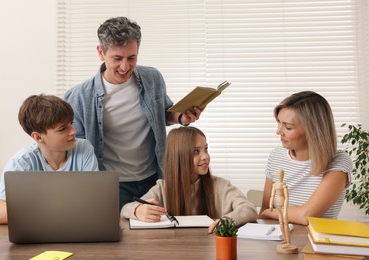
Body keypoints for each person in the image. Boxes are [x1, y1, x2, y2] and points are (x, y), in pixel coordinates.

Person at [64, 17, 203, 209]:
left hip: (154, 179)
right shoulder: (79, 96)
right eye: (117, 58)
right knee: (118, 236)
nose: (125, 67)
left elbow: (163, 113)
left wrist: (181, 117)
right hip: (111, 185)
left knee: (158, 236)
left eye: (132, 58)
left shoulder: (152, 78)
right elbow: (74, 148)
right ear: (100, 52)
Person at [120, 126, 258, 233]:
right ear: (179, 156)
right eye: (196, 151)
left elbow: (249, 208)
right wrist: (138, 210)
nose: (205, 157)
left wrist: (228, 220)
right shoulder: (162, 188)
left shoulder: (220, 186)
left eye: (206, 149)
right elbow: (125, 209)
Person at [0, 94, 99, 224]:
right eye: (63, 129)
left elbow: (94, 202)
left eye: (71, 123)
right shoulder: (22, 162)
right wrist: (62, 209)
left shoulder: (84, 148)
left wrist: (39, 209)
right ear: (38, 138)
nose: (73, 131)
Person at [259, 91, 353, 225]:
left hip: (318, 243)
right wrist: (268, 212)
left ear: (313, 130)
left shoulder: (339, 161)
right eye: (279, 122)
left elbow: (306, 216)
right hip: (277, 238)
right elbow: (264, 213)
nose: (278, 131)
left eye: (288, 127)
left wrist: (271, 212)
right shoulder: (276, 155)